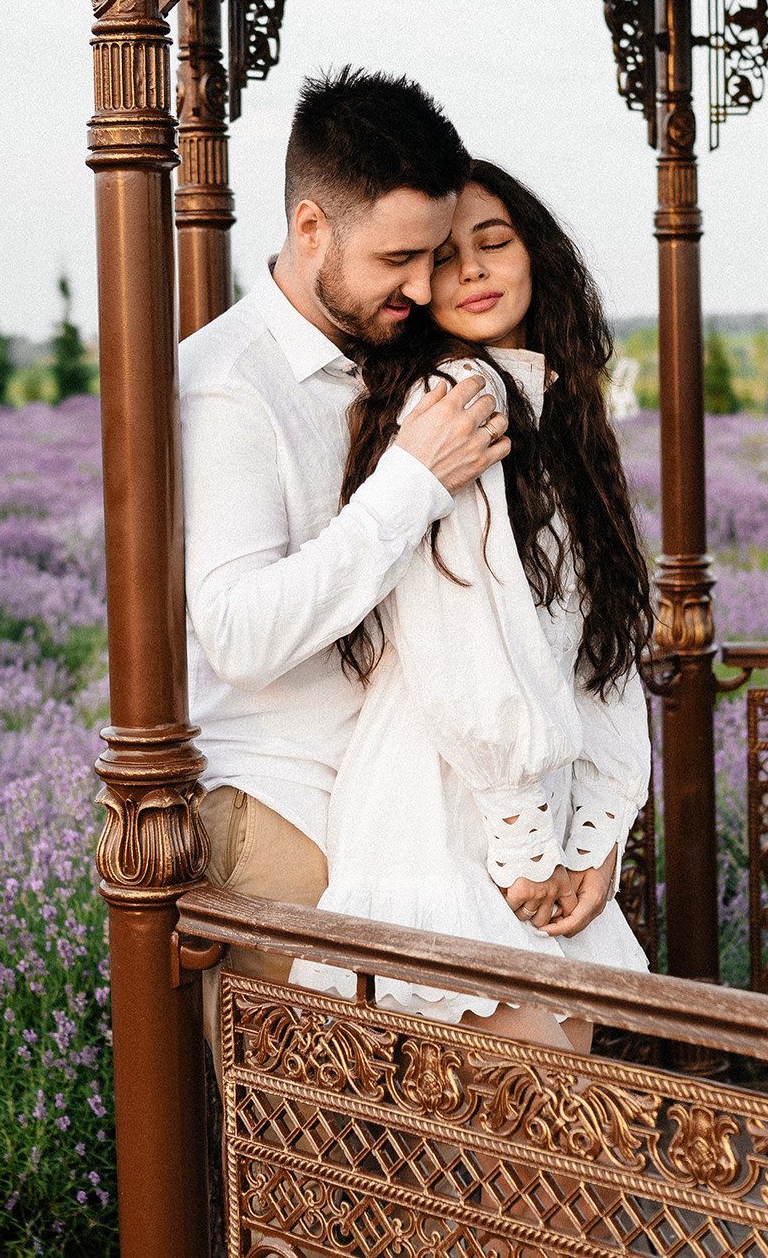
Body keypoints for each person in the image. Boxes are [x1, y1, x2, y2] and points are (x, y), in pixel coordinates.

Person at [293, 161, 655, 1051]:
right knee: (539, 1143)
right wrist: (528, 841)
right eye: (445, 259)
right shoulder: (455, 398)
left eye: (494, 243)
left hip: (539, 815)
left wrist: (599, 831)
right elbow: (458, 642)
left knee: (545, 1152)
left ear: (537, 255)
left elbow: (599, 652)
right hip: (448, 806)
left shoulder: (558, 413)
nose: (476, 272)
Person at [180, 68, 511, 984]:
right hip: (288, 814)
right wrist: (410, 481)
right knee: (305, 1127)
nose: (420, 284)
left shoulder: (388, 355)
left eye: (432, 255)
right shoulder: (229, 387)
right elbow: (241, 633)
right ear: (311, 227)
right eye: (396, 259)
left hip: (401, 816)